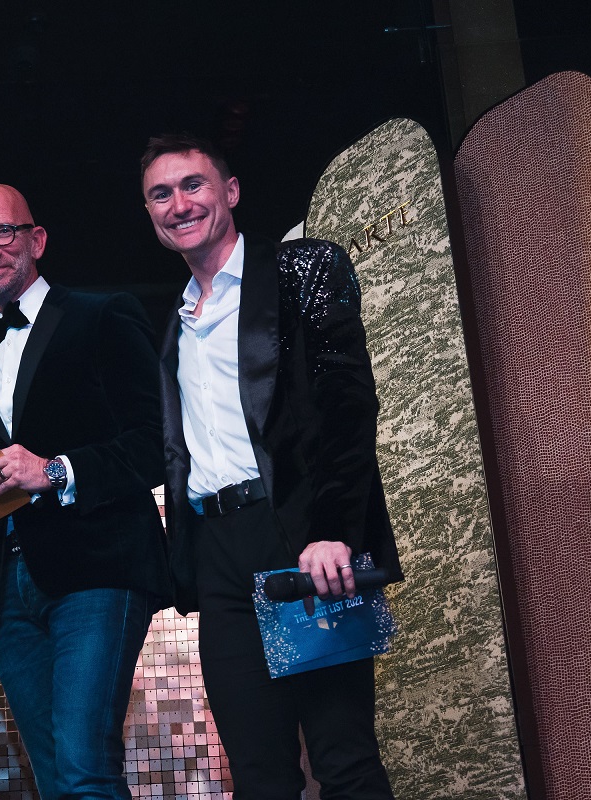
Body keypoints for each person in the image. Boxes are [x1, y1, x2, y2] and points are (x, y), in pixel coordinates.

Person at [141, 133, 404, 798]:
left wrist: (333, 531)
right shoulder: (176, 320)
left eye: (193, 185)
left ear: (230, 191)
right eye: (160, 194)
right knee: (259, 774)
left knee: (343, 761)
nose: (179, 204)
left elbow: (347, 409)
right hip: (218, 554)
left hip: (299, 533)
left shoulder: (301, 269)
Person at [0, 183, 171, 799]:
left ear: (37, 239)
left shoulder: (104, 315)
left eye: (4, 231)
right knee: (54, 780)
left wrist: (56, 470)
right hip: (9, 587)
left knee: (83, 770)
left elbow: (156, 443)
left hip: (97, 571)